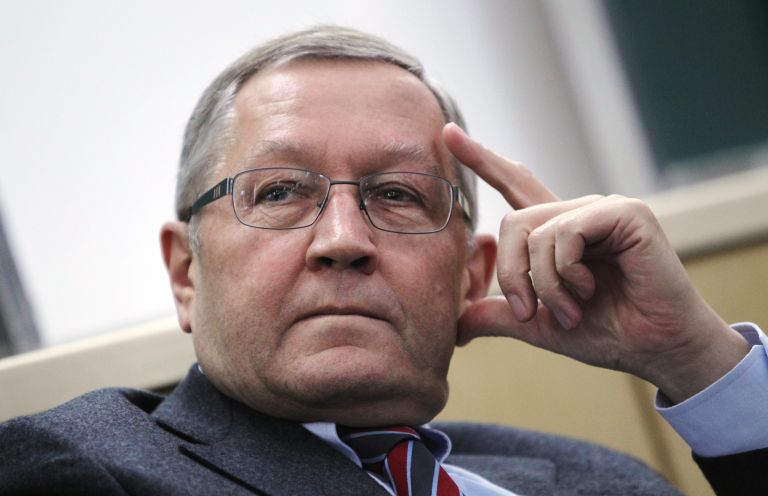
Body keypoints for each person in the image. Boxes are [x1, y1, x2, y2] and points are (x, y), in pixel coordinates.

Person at [0, 25, 766, 496]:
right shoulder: (81, 468)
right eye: (279, 192)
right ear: (185, 273)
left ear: (471, 275)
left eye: (397, 194)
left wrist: (697, 361)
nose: (343, 240)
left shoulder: (604, 480)